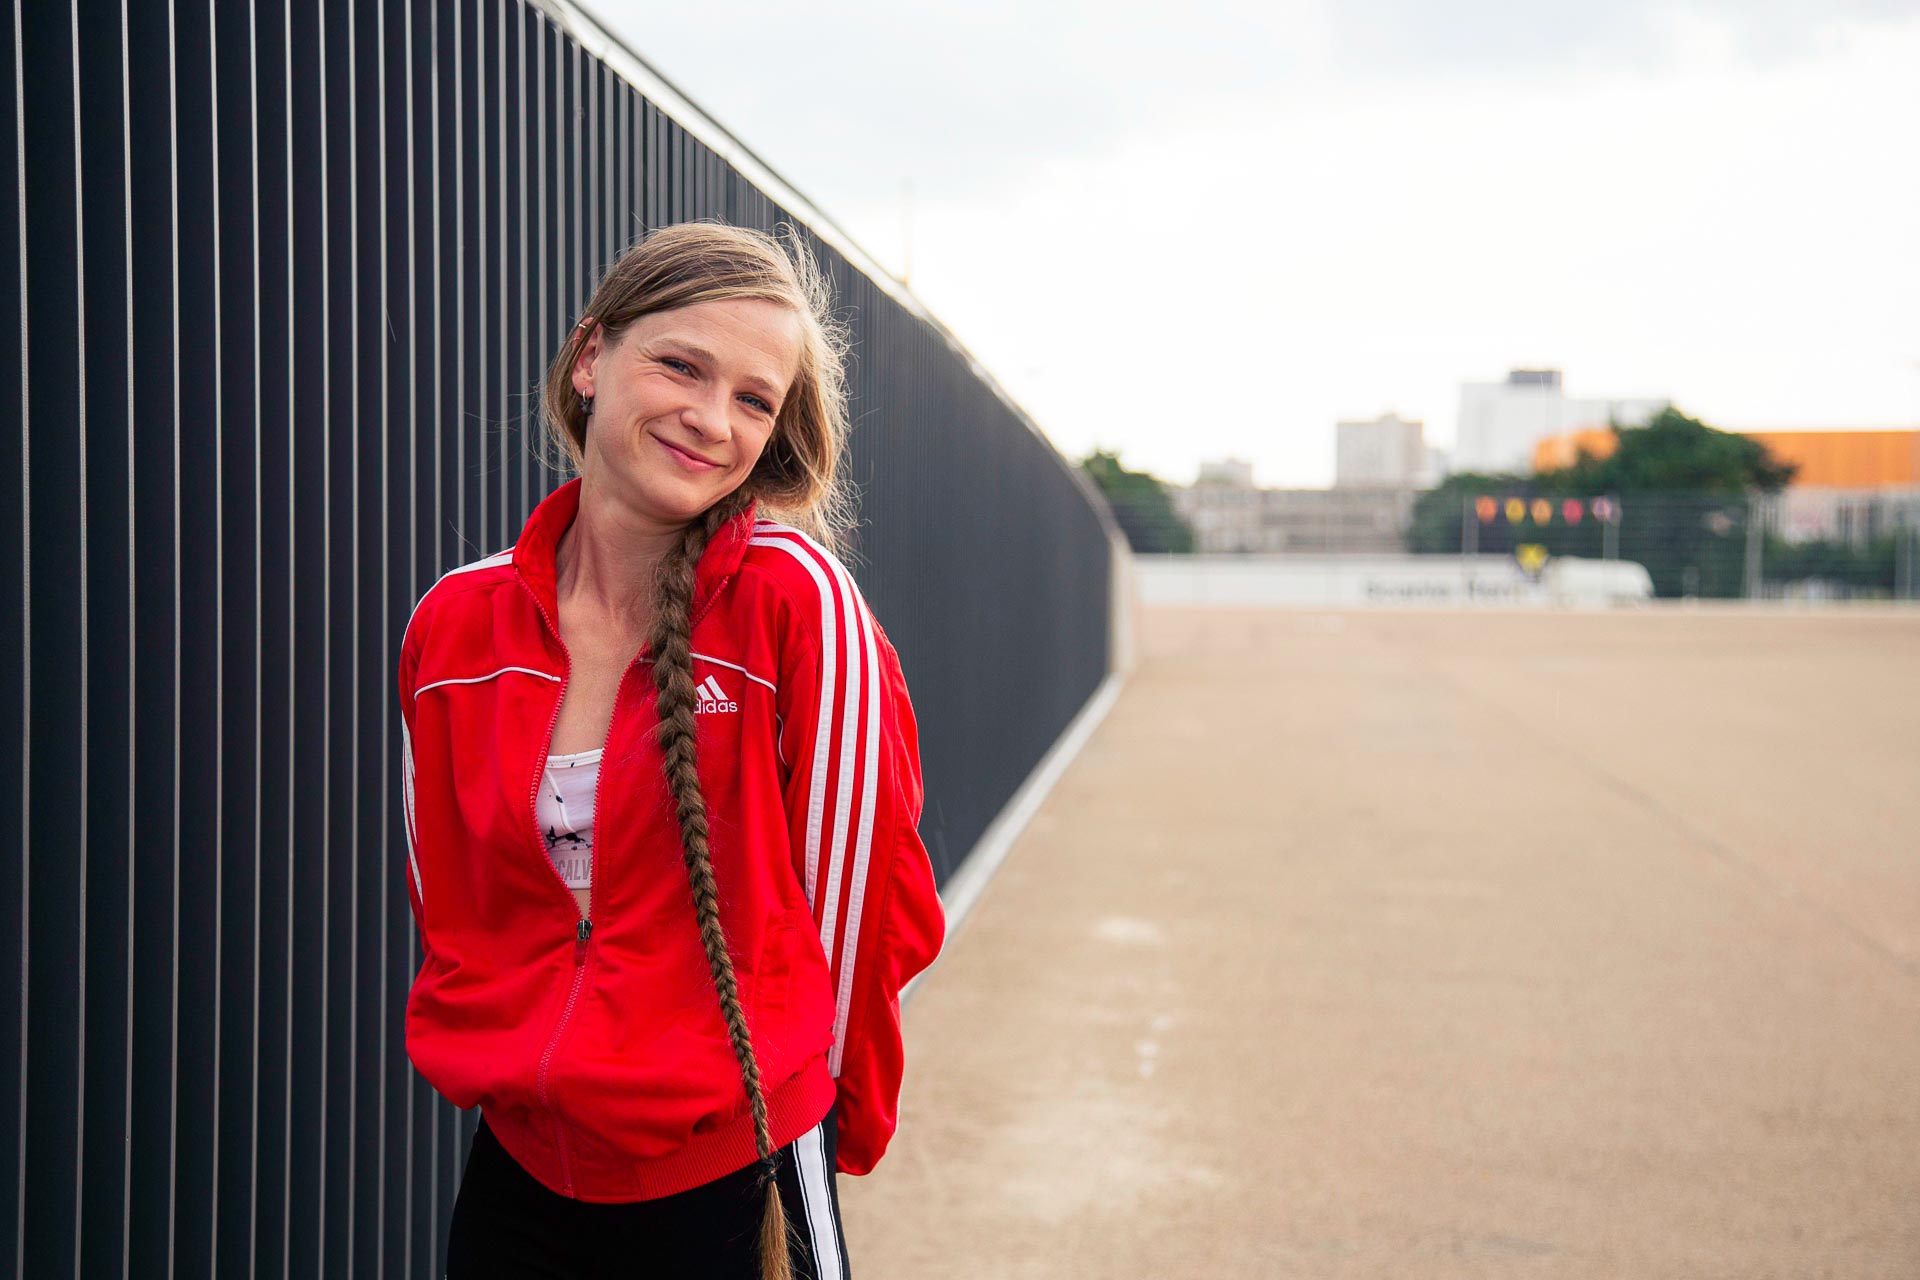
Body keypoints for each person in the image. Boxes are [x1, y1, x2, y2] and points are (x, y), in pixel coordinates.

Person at [396, 220, 947, 1279]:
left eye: (754, 399)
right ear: (590, 357)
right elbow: (452, 902)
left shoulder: (801, 608)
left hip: (732, 1178)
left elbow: (866, 916)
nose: (712, 419)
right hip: (519, 1170)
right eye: (682, 366)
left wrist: (812, 1126)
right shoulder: (455, 624)